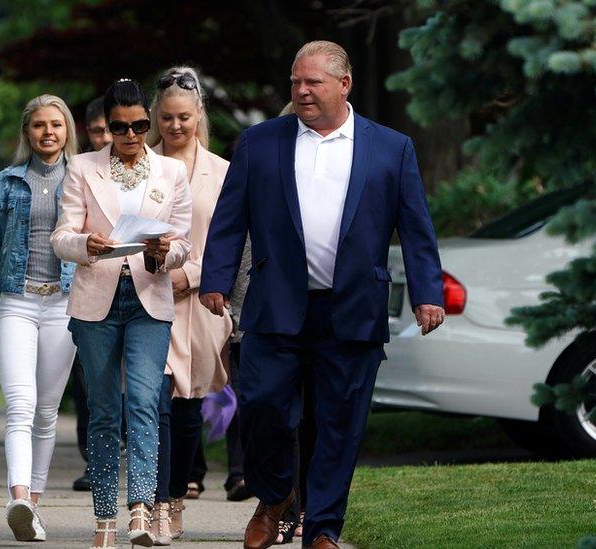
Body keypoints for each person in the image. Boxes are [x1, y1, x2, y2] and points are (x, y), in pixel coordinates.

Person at [200, 41, 446, 549]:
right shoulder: (259, 142)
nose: (301, 91)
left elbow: (416, 228)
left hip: (352, 310)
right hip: (275, 305)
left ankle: (324, 528)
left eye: (312, 82)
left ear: (344, 84)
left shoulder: (390, 147)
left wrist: (427, 292)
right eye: (296, 82)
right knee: (264, 409)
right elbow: (230, 219)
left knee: (339, 425)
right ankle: (274, 498)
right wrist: (217, 280)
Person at [51, 78, 193, 549]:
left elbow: (184, 244)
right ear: (106, 127)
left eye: (139, 126)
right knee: (104, 410)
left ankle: (141, 511)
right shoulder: (82, 167)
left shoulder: (170, 172)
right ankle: (104, 519)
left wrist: (161, 253)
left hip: (150, 298)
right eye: (120, 127)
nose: (131, 135)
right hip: (97, 299)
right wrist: (84, 245)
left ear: (148, 123)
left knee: (145, 403)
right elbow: (62, 236)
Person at [0, 94, 80, 542]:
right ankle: (19, 497)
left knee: (47, 413)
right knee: (21, 406)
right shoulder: (5, 182)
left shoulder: (83, 179)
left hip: (64, 306)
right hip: (18, 302)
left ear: (68, 130)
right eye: (38, 126)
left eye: (56, 125)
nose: (48, 133)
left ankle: (33, 508)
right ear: (26, 132)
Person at [146, 66, 233, 545]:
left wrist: (191, 275)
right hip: (149, 300)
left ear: (198, 114)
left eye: (183, 117)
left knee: (185, 412)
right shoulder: (142, 166)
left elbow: (229, 242)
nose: (175, 127)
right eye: (166, 118)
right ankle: (156, 503)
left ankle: (177, 494)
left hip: (200, 304)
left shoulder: (221, 173)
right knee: (153, 403)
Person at [67, 96, 113, 494]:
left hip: (132, 290)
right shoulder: (79, 171)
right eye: (96, 131)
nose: (103, 137)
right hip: (86, 291)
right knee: (89, 385)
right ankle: (92, 460)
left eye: (107, 129)